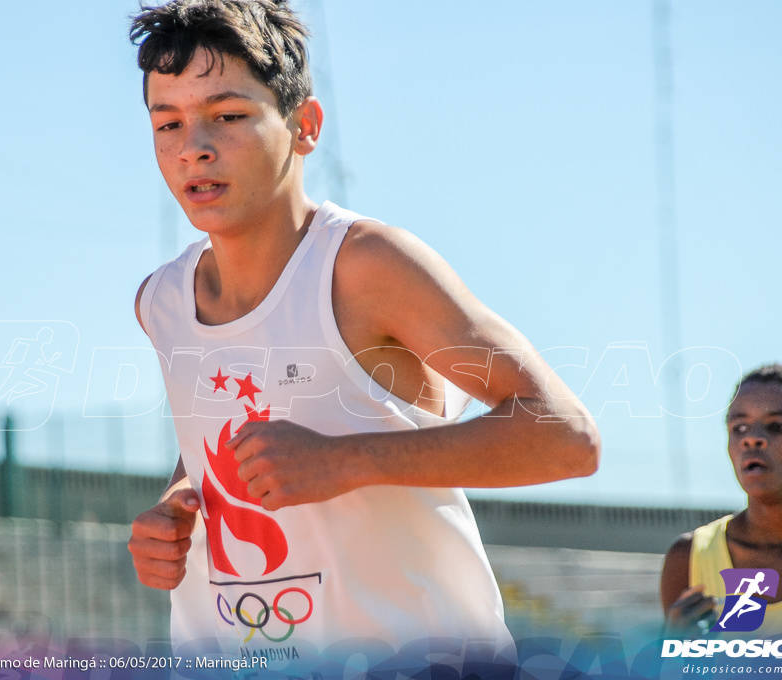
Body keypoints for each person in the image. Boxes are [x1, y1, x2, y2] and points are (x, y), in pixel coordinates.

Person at [124, 0, 600, 673]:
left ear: (305, 126)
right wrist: (175, 508)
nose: (193, 146)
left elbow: (566, 437)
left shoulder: (367, 266)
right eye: (167, 122)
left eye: (228, 116)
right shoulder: (161, 302)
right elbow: (213, 438)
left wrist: (346, 461)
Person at [660, 364, 782, 639]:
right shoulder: (690, 559)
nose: (751, 438)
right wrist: (677, 652)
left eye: (777, 426)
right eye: (739, 427)